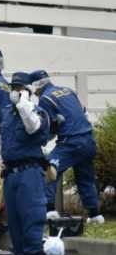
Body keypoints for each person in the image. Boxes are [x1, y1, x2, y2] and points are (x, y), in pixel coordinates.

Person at [0, 72, 51, 255]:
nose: (15, 91)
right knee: (13, 217)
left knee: (31, 214)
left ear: (28, 91)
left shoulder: (37, 112)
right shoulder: (7, 112)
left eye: (19, 88)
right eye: (13, 87)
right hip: (11, 172)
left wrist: (24, 102)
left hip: (29, 171)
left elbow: (32, 128)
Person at [30, 70, 104, 224]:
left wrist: (39, 141)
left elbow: (48, 125)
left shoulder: (45, 98)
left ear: (35, 86)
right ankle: (95, 215)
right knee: (85, 178)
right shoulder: (68, 90)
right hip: (88, 140)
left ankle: (49, 211)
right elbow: (81, 112)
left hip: (71, 142)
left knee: (50, 170)